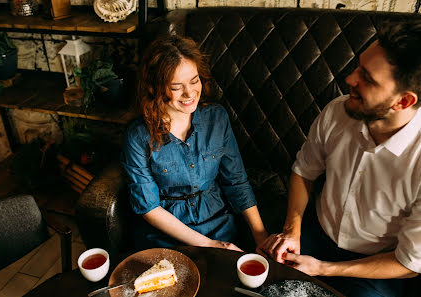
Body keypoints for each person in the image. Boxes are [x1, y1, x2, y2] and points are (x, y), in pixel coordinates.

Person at [261, 21, 421, 297]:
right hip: (313, 232)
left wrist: (324, 269)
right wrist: (292, 231)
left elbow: (408, 262)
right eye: (359, 67)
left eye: (367, 79)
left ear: (404, 102)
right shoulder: (337, 111)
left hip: (375, 265)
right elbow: (303, 172)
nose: (349, 79)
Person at [121, 35, 268, 253]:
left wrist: (261, 238)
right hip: (167, 235)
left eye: (194, 80)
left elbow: (236, 181)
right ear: (155, 88)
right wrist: (211, 245)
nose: (190, 94)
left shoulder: (217, 118)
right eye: (176, 87)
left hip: (219, 225)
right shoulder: (137, 136)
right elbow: (148, 207)